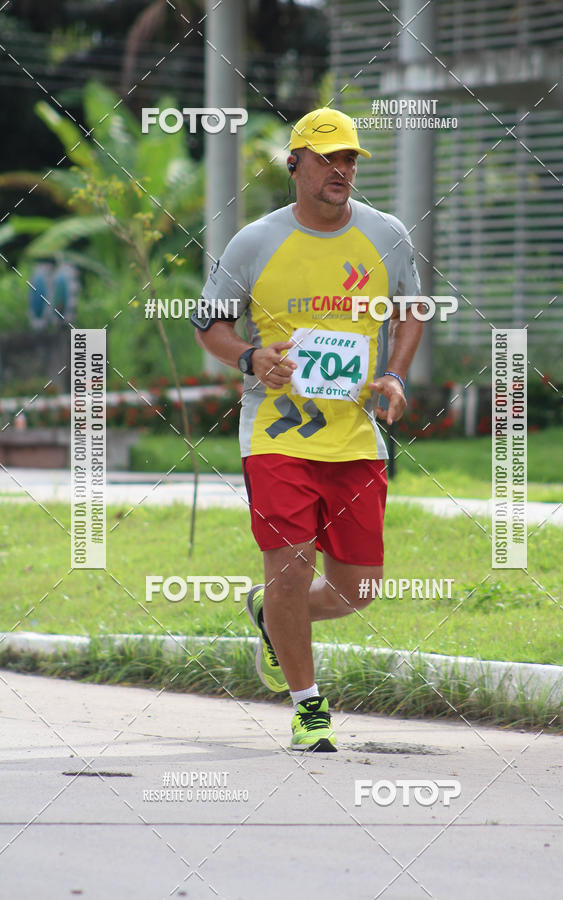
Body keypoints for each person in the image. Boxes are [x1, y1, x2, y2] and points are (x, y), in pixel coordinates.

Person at [192, 107, 424, 752]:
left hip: (355, 437)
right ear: (295, 165)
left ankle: (270, 614)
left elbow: (411, 311)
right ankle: (308, 706)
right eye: (328, 159)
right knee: (290, 568)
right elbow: (209, 324)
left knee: (359, 589)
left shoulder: (386, 235)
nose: (341, 170)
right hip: (276, 434)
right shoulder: (255, 242)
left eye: (349, 159)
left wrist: (395, 375)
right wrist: (248, 357)